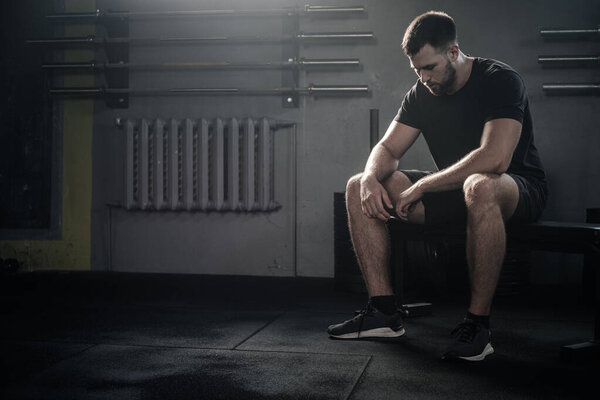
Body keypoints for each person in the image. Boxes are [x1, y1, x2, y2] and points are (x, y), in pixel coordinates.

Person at [327, 11, 547, 361]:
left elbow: (496, 158)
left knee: (481, 186)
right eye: (417, 69)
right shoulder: (421, 93)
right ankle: (383, 312)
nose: (423, 77)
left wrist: (423, 186)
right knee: (358, 185)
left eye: (429, 67)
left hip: (516, 189)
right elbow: (387, 148)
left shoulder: (500, 80)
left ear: (454, 53)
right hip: (456, 192)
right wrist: (370, 177)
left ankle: (477, 325)